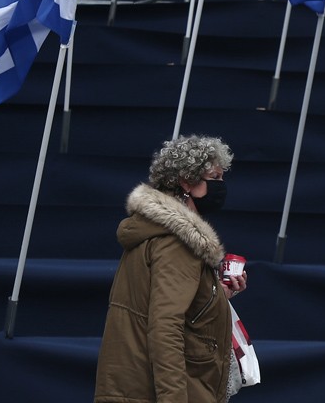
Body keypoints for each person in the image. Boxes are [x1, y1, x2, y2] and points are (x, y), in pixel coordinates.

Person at [95, 135, 248, 403]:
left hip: (135, 387)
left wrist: (215, 297)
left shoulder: (153, 231)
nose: (221, 186)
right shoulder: (177, 242)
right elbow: (165, 327)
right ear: (186, 181)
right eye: (215, 177)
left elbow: (158, 305)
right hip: (167, 391)